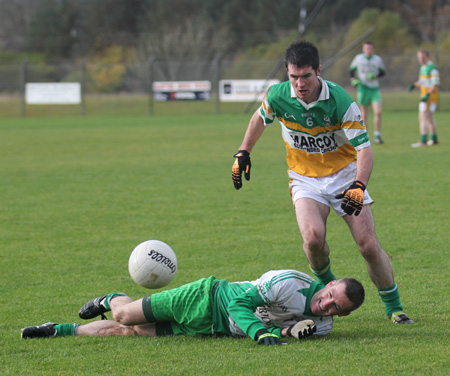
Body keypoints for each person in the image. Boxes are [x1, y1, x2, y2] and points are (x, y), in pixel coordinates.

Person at [232, 40, 413, 324]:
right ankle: (328, 286)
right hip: (304, 178)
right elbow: (260, 117)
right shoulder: (279, 96)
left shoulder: (341, 101)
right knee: (313, 240)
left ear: (318, 71)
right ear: (287, 74)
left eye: (306, 76)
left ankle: (394, 307)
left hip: (344, 176)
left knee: (367, 244)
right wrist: (244, 151)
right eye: (293, 77)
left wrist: (358, 185)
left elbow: (365, 150)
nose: (300, 83)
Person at [21, 269, 365, 345]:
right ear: (330, 284)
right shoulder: (290, 283)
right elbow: (236, 301)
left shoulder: (323, 327)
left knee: (132, 331)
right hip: (206, 297)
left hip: (210, 328)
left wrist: (287, 331)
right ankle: (109, 299)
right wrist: (261, 333)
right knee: (124, 314)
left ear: (343, 315)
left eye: (336, 309)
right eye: (331, 296)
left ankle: (58, 329)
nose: (326, 307)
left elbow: (285, 330)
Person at [349, 41, 386, 144]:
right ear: (363, 49)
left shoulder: (377, 59)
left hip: (374, 89)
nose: (368, 50)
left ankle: (377, 135)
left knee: (378, 112)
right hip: (363, 88)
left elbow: (383, 72)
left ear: (373, 49)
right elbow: (352, 70)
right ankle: (365, 137)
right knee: (364, 115)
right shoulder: (358, 58)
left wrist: (375, 75)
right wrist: (353, 80)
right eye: (367, 48)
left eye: (370, 48)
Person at [409, 49, 440, 147]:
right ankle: (434, 139)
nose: (421, 59)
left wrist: (428, 94)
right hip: (424, 96)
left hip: (429, 97)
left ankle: (423, 141)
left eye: (423, 57)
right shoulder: (423, 68)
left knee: (422, 117)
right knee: (429, 118)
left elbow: (435, 84)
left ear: (428, 57)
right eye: (419, 57)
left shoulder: (432, 68)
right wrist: (415, 85)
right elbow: (423, 82)